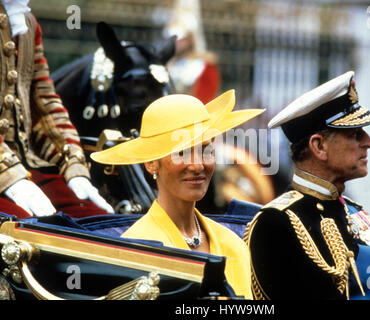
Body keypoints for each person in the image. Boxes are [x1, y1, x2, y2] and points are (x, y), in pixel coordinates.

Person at [91, 90, 264, 299]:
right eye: (181, 152)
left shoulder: (234, 244)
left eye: (205, 150)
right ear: (151, 163)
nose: (197, 165)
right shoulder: (136, 248)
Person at [244, 71, 370, 300]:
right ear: (319, 147)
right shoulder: (276, 222)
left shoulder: (353, 211)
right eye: (356, 134)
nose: (369, 142)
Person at [0, 0, 113, 218]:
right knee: (29, 229)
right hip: (10, 171)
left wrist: (72, 165)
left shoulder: (27, 22)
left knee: (95, 219)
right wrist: (8, 175)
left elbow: (45, 105)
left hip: (26, 164)